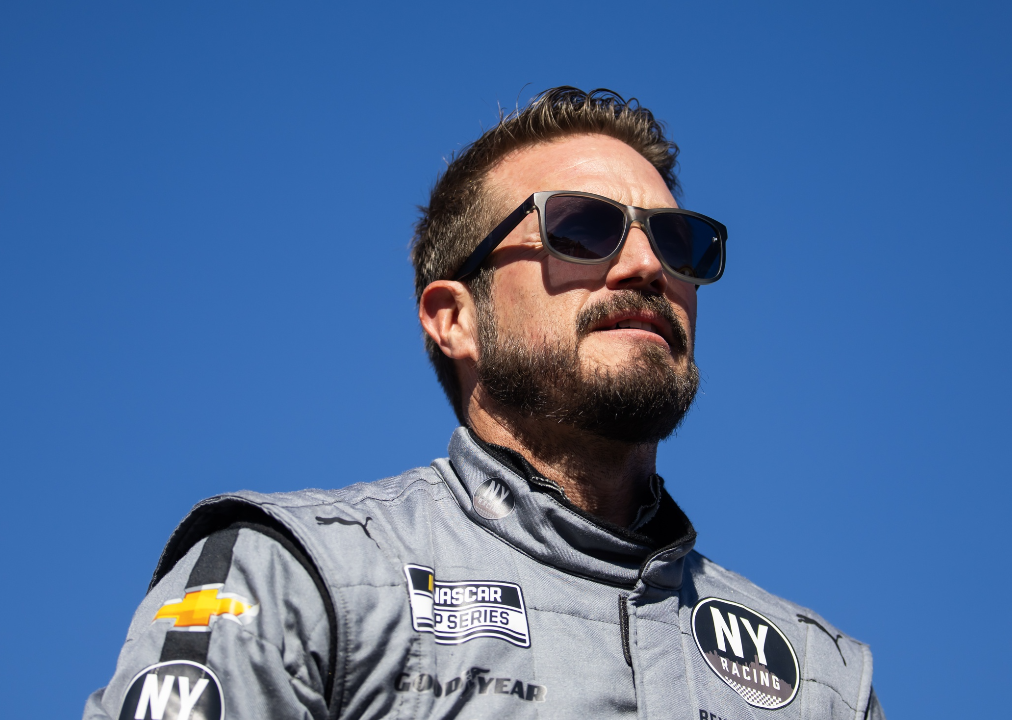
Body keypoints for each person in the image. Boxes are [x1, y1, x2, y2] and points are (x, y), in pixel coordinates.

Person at [84, 86, 885, 720]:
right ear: (454, 318)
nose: (647, 266)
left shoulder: (823, 685)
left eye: (678, 241)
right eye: (582, 228)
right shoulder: (296, 577)